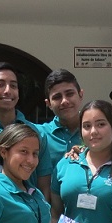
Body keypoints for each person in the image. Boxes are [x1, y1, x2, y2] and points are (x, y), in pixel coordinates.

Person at [37, 68, 84, 205]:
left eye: (70, 94)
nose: (64, 101)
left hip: (92, 216)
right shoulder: (39, 134)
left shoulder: (97, 134)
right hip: (56, 216)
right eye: (57, 97)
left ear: (81, 95)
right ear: (48, 104)